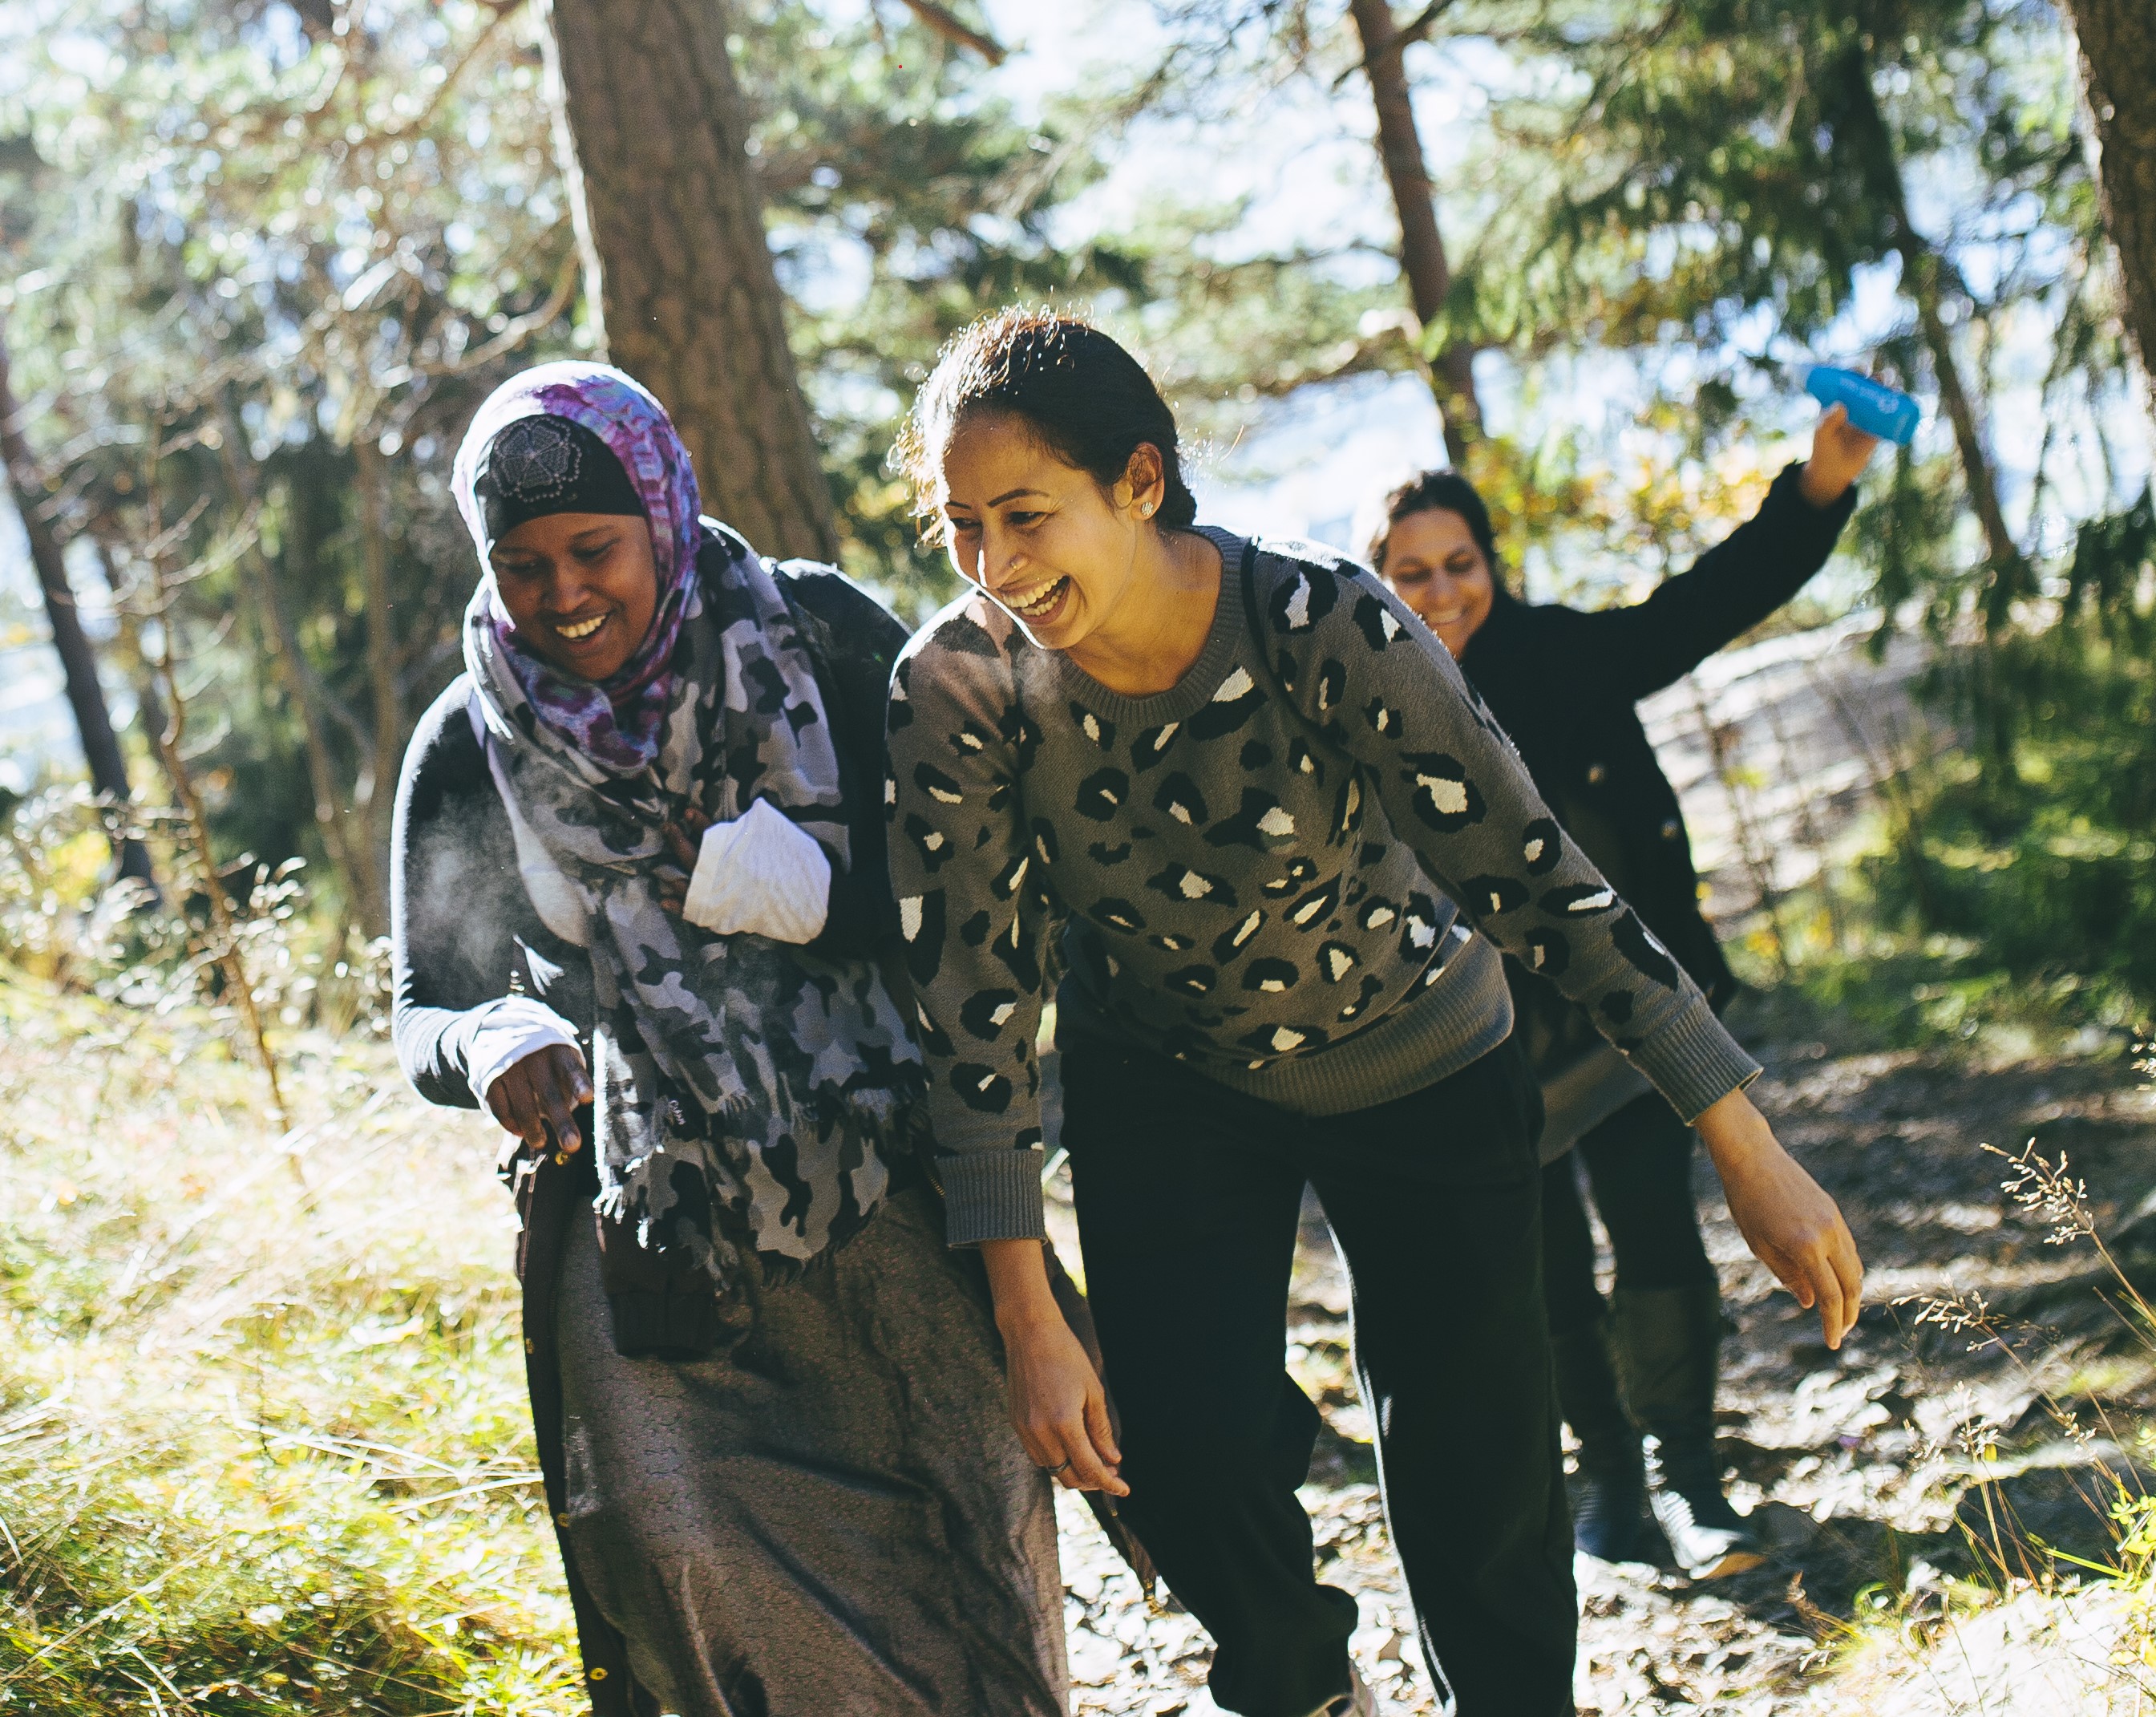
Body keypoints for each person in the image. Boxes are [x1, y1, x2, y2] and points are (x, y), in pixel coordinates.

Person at [884, 307, 1865, 1717]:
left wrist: (1736, 1129)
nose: (995, 564)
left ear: (1140, 482)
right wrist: (1026, 1308)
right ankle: (1300, 1689)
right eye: (962, 526)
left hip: (1420, 1050)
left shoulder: (1319, 620)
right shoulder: (959, 687)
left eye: (1026, 515)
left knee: (1483, 1479)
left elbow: (1534, 875)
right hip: (1163, 1072)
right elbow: (972, 1002)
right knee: (1195, 1455)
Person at [390, 361, 1068, 1717]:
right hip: (653, 1236)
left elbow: (986, 877)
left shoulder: (816, 633)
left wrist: (818, 894)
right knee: (702, 1564)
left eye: (595, 549)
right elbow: (428, 1005)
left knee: (965, 1532)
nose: (563, 594)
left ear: (664, 512)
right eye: (522, 566)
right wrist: (500, 1039)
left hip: (895, 1193)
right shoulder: (474, 735)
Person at [1367, 407, 1879, 1578]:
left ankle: (1690, 1480)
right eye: (1410, 573)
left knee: (1656, 1242)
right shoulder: (1361, 694)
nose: (1439, 593)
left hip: (1624, 1010)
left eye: (1459, 565)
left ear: (1490, 563)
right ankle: (1608, 1484)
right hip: (1473, 1039)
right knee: (1545, 1274)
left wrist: (1816, 486)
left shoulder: (1559, 653)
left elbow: (1709, 601)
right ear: (1376, 581)